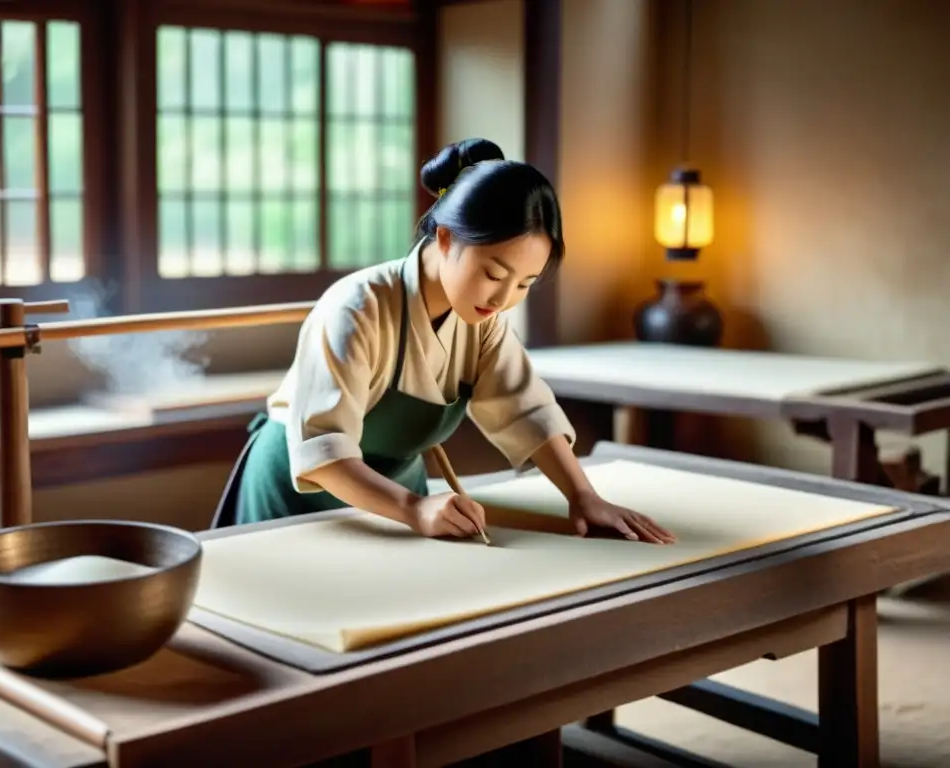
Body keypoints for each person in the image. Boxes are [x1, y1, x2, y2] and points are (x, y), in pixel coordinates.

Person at [212, 138, 675, 545]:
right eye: (494, 273)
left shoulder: (483, 319)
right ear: (448, 239)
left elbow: (526, 411)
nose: (504, 298)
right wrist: (414, 509)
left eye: (525, 283)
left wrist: (583, 497)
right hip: (302, 490)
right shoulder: (357, 307)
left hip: (399, 489)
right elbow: (324, 451)